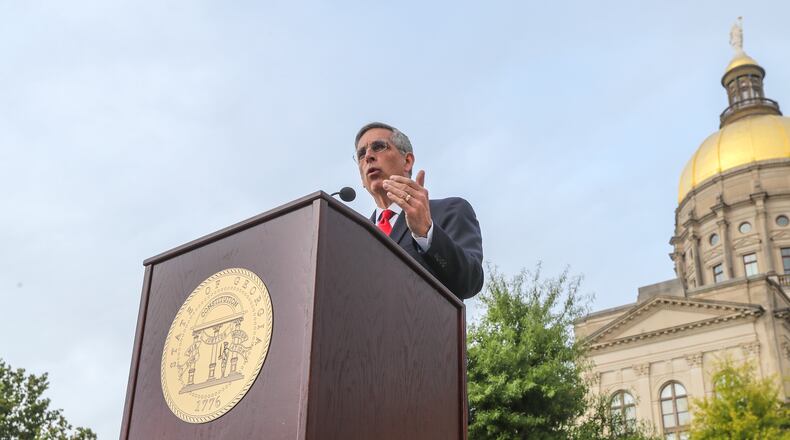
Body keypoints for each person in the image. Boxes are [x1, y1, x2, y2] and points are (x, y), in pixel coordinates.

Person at [354, 122, 484, 300]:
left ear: (407, 161)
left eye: (378, 147)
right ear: (361, 177)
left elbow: (470, 282)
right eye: (361, 154)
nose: (368, 156)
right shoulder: (355, 236)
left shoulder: (450, 211)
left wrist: (426, 232)